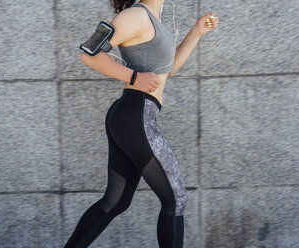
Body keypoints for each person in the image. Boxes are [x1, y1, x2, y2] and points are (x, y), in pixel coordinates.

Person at [64, 0, 218, 247]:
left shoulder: (154, 20)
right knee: (175, 199)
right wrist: (134, 77)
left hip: (132, 116)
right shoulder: (134, 16)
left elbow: (168, 69)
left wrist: (197, 32)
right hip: (136, 115)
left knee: (116, 201)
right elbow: (89, 54)